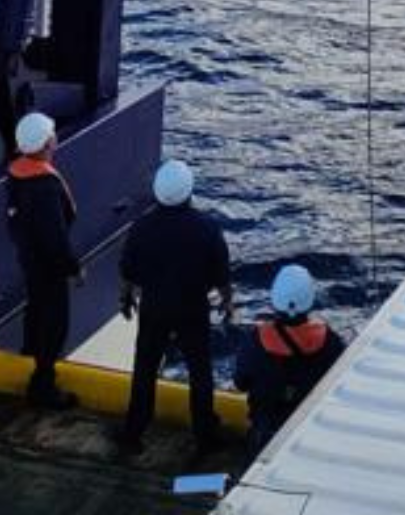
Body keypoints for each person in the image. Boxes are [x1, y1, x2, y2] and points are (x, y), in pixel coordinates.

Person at [117, 158, 231, 454]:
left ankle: (134, 431)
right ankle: (205, 433)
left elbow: (128, 270)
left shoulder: (141, 227)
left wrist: (126, 298)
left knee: (145, 368)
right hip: (192, 308)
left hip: (154, 306)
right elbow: (221, 274)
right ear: (189, 192)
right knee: (200, 371)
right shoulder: (207, 228)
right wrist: (227, 303)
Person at [6, 112, 79, 408]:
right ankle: (43, 385)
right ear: (48, 142)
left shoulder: (16, 175)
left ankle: (29, 358)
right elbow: (56, 238)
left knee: (34, 311)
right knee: (54, 323)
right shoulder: (45, 187)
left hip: (29, 257)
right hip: (48, 266)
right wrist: (73, 267)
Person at [235, 264, 345, 456]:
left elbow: (241, 382)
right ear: (309, 300)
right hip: (312, 432)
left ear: (275, 299)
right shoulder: (331, 342)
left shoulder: (256, 341)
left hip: (265, 434)